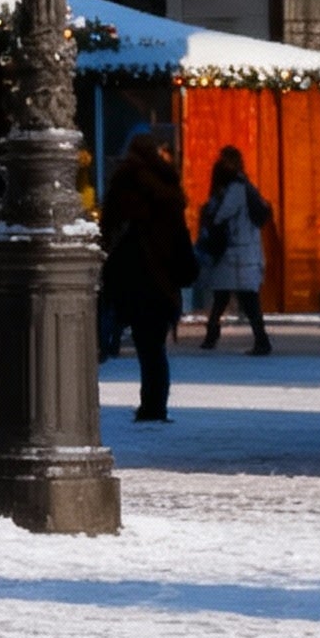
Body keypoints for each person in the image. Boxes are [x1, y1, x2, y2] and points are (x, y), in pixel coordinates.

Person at [100, 128, 198, 422]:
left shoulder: (126, 182)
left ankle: (151, 405)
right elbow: (178, 236)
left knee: (145, 343)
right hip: (163, 274)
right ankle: (155, 403)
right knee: (154, 345)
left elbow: (111, 224)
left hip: (138, 269)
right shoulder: (168, 186)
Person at [195, 143, 276, 354]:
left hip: (235, 253)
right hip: (243, 252)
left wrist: (210, 213)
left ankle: (258, 340)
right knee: (234, 296)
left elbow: (222, 214)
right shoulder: (245, 186)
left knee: (241, 298)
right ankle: (216, 335)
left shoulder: (235, 189)